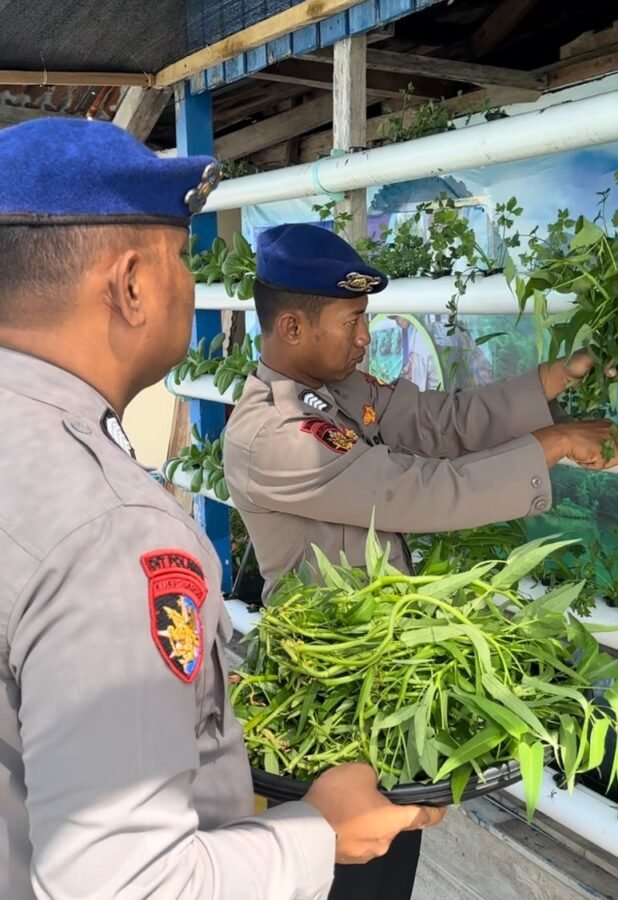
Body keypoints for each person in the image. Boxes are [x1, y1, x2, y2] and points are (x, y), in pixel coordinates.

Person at [0, 119, 444, 900]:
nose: (191, 282)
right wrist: (319, 834)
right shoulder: (109, 529)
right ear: (131, 284)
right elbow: (124, 883)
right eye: (182, 257)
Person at [223, 223, 618, 899]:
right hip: (335, 685)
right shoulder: (275, 432)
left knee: (393, 865)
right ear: (292, 326)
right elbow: (415, 492)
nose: (364, 338)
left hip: (390, 675)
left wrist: (555, 380)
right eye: (353, 321)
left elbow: (443, 421)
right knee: (347, 875)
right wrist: (551, 444)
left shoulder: (341, 392)